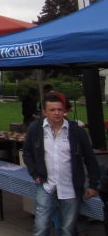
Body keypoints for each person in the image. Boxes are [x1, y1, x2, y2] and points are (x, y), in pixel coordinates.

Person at [22, 93, 100, 236]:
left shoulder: (76, 131)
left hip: (70, 187)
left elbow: (90, 158)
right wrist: (34, 174)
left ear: (64, 110)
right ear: (44, 112)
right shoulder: (35, 128)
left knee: (67, 229)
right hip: (46, 185)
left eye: (59, 109)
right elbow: (27, 152)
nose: (57, 113)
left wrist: (93, 184)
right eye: (52, 110)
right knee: (41, 227)